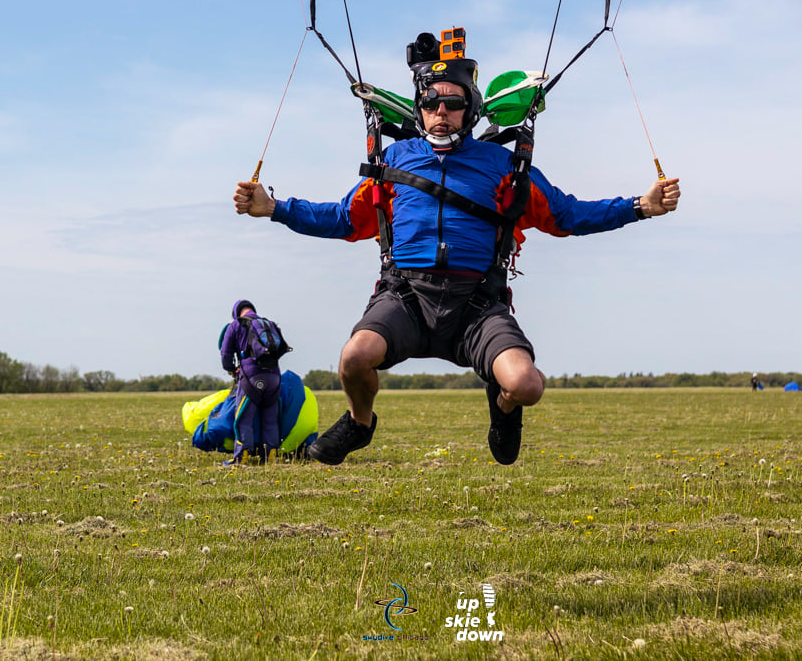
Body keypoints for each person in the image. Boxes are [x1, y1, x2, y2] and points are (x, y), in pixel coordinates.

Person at [233, 33, 680, 466]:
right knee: (353, 357)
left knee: (527, 385)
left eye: (453, 103)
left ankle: (503, 409)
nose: (441, 112)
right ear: (419, 109)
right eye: (431, 103)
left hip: (477, 305)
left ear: (471, 109)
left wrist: (640, 206)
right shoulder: (395, 162)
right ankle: (359, 422)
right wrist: (274, 207)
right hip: (405, 298)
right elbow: (343, 218)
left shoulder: (504, 165)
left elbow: (566, 215)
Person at [218, 299, 284, 466]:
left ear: (236, 313)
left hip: (251, 377)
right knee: (270, 419)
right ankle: (270, 456)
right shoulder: (269, 324)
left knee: (243, 418)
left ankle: (242, 456)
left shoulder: (236, 325)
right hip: (274, 377)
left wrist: (231, 369)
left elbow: (225, 353)